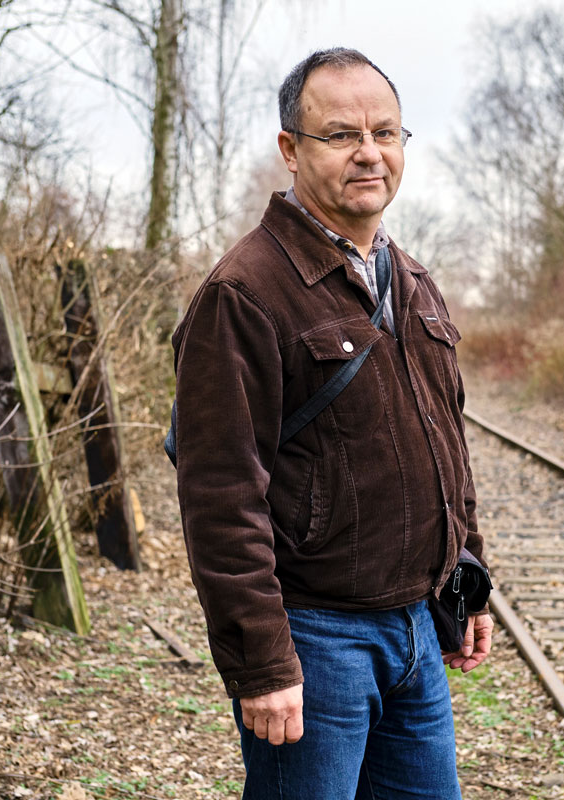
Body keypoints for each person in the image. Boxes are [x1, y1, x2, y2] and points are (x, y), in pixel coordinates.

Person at [171, 47, 491, 799]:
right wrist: (264, 664)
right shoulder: (245, 292)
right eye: (341, 134)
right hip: (316, 639)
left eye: (386, 132)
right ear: (291, 149)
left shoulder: (413, 282)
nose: (369, 152)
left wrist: (466, 578)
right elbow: (220, 497)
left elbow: (449, 445)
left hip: (415, 628)